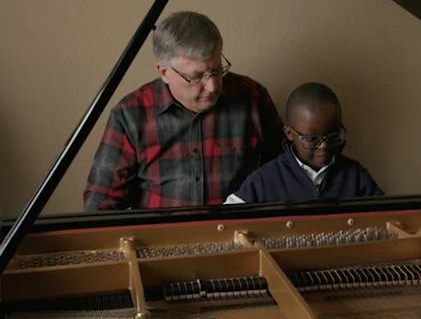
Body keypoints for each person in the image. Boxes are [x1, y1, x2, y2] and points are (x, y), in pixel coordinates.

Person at [83, 11, 285, 211]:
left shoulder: (253, 99)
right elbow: (101, 202)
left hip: (238, 235)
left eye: (216, 71)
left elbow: (285, 175)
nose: (213, 86)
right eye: (196, 77)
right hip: (160, 238)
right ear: (164, 72)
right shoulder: (130, 116)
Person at [224, 82, 384, 205]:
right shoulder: (264, 180)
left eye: (333, 136)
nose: (324, 146)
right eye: (312, 138)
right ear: (289, 134)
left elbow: (387, 216)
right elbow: (224, 222)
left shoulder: (355, 176)